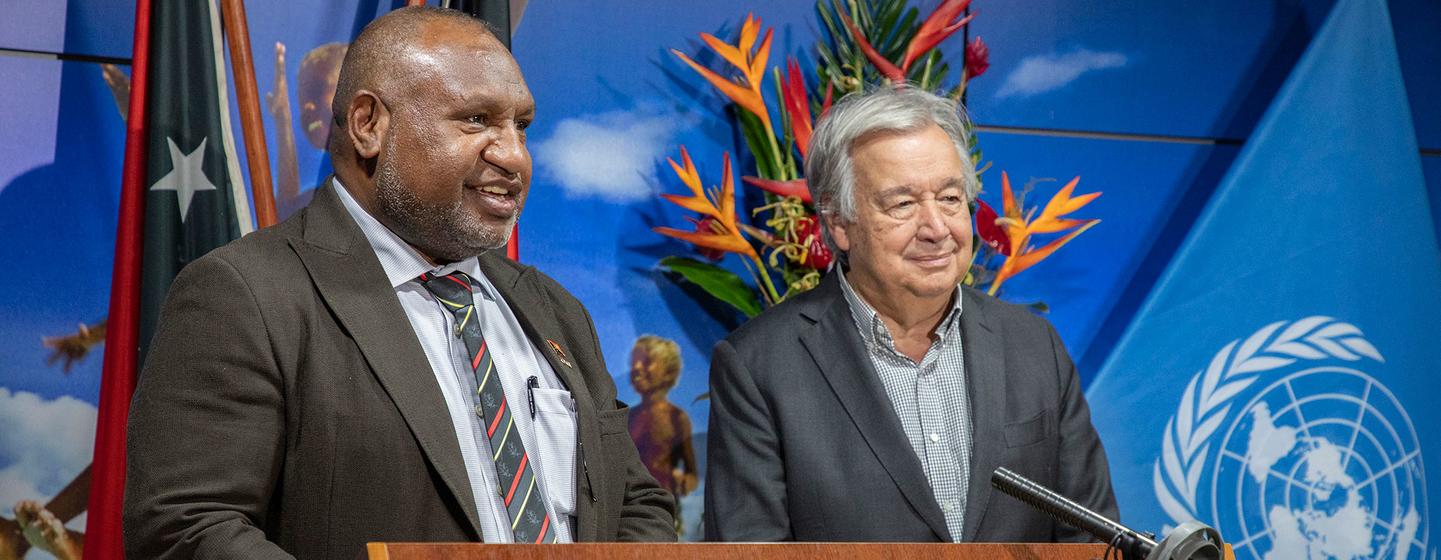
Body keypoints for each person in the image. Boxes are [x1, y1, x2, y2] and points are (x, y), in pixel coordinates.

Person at [123, 8, 674, 559]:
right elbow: (187, 529)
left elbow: (635, 503)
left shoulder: (554, 310)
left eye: (521, 126)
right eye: (477, 120)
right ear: (369, 125)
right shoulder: (245, 294)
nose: (513, 156)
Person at [703, 86, 1117, 542]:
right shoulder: (760, 366)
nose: (937, 229)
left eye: (950, 198)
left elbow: (1093, 539)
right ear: (839, 223)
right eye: (902, 204)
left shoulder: (1034, 344)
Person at [626, 335, 699, 534]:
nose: (637, 368)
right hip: (627, 510)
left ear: (668, 372)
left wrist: (682, 480)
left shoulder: (677, 418)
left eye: (647, 362)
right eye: (634, 362)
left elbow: (691, 473)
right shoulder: (627, 417)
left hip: (664, 511)